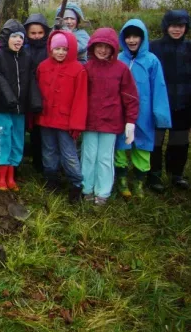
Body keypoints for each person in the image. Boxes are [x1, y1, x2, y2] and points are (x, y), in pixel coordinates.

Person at [81, 28, 139, 205]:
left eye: (107, 47)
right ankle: (86, 188)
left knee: (104, 157)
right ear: (93, 47)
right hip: (89, 121)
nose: (103, 50)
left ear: (113, 48)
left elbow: (130, 96)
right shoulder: (86, 68)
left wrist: (130, 121)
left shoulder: (121, 69)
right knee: (88, 155)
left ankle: (103, 192)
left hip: (110, 122)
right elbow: (78, 95)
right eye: (99, 46)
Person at [115, 19, 172, 199]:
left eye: (136, 37)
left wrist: (160, 115)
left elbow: (159, 88)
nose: (132, 40)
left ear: (143, 38)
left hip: (144, 112)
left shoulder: (151, 61)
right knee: (120, 145)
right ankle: (122, 180)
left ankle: (139, 182)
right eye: (128, 37)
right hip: (121, 112)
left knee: (143, 145)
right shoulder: (119, 59)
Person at [0, 19, 42, 191]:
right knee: (2, 139)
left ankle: (11, 176)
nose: (18, 40)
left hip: (19, 109)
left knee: (17, 140)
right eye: (14, 36)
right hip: (0, 108)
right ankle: (0, 176)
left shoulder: (27, 58)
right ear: (6, 38)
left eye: (21, 37)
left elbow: (32, 81)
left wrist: (35, 102)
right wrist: (8, 97)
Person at [35, 31, 88, 203]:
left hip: (66, 121)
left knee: (69, 153)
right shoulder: (43, 67)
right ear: (50, 49)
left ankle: (76, 183)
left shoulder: (78, 69)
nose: (60, 52)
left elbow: (80, 99)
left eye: (65, 49)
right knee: (49, 150)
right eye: (57, 48)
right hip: (46, 118)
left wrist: (76, 124)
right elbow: (37, 93)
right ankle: (52, 179)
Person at [149, 10, 191, 191]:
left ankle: (176, 175)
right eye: (173, 26)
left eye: (181, 26)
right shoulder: (153, 47)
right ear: (166, 27)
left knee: (179, 141)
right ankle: (154, 175)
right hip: (159, 103)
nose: (177, 30)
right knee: (155, 141)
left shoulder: (189, 48)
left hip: (183, 102)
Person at [23, 13, 51, 172]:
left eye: (40, 33)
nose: (36, 36)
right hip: (26, 92)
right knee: (29, 127)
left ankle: (41, 164)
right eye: (32, 33)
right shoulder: (23, 47)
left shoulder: (49, 49)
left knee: (41, 130)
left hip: (44, 93)